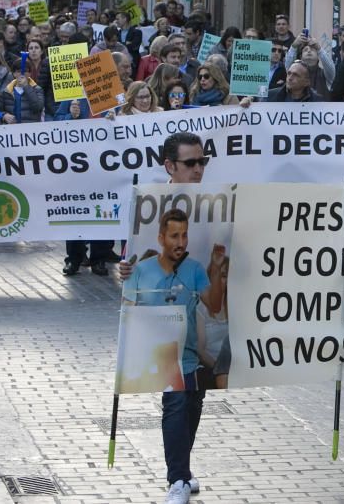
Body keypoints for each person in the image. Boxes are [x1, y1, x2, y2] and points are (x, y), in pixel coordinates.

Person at [123, 207, 225, 504]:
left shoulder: (194, 268)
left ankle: (183, 467)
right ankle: (177, 480)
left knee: (193, 407)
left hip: (190, 355)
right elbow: (128, 307)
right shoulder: (142, 270)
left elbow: (215, 305)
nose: (181, 242)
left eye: (184, 235)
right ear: (161, 237)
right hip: (162, 357)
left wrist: (216, 267)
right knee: (177, 405)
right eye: (174, 236)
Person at [55, 96, 115, 276]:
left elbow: (121, 122)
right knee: (76, 210)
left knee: (102, 210)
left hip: (103, 161)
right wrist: (70, 117)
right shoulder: (72, 94)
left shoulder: (107, 91)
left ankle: (99, 259)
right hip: (76, 163)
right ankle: (74, 258)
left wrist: (115, 118)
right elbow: (56, 120)